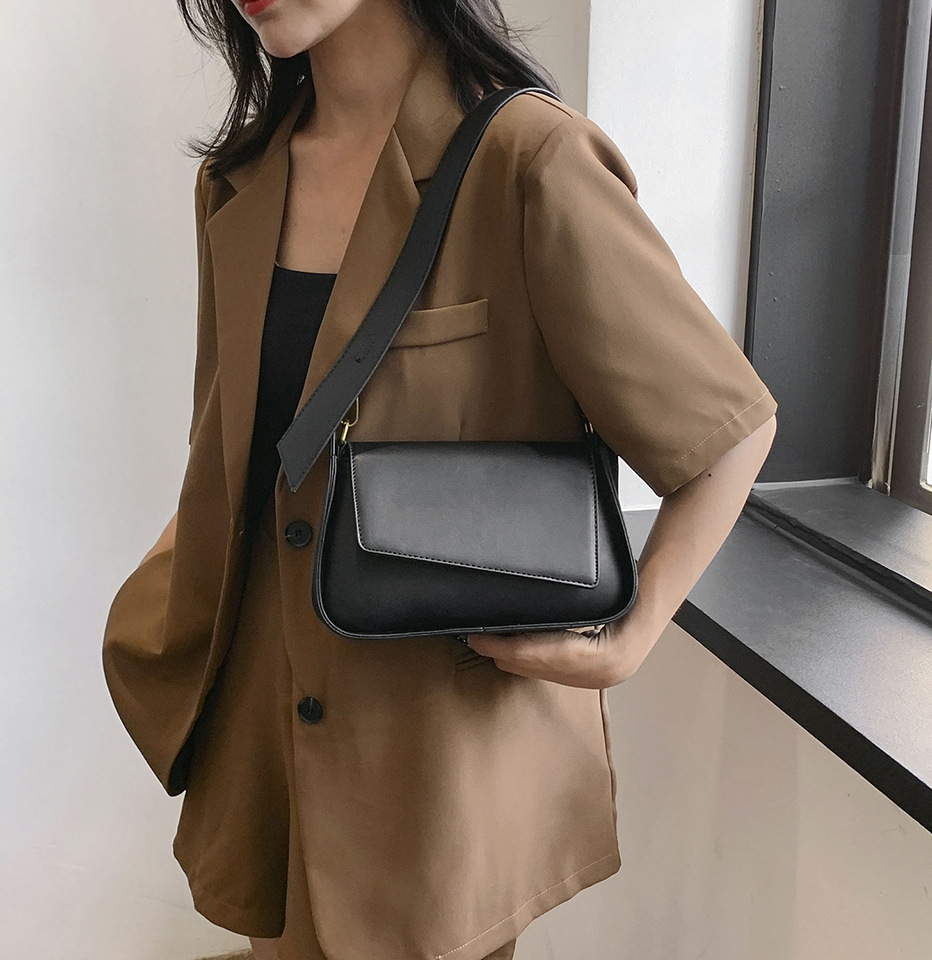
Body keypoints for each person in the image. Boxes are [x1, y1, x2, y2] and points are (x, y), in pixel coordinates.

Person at [102, 0, 778, 957]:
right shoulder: (236, 181)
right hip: (263, 734)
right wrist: (159, 590)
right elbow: (229, 442)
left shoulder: (527, 161)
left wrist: (630, 639)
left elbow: (725, 431)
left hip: (437, 766)